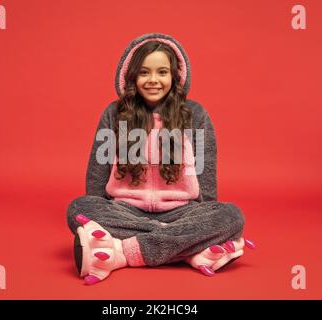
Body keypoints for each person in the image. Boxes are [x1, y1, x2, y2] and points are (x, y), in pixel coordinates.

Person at [67, 33, 255, 285]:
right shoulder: (114, 113)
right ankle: (187, 249)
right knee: (79, 209)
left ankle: (123, 253)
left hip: (181, 212)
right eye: (144, 72)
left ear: (175, 76)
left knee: (231, 216)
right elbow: (97, 171)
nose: (153, 80)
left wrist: (202, 216)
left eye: (162, 72)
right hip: (124, 212)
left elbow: (205, 170)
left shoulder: (195, 115)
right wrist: (194, 236)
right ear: (132, 76)